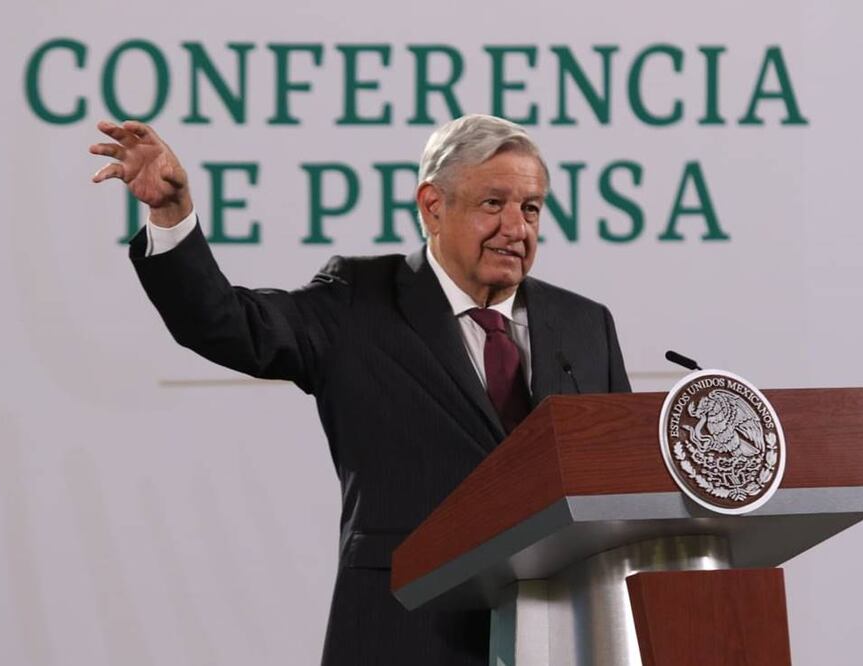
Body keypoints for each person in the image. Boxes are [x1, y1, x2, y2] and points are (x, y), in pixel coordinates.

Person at [90, 114, 631, 665]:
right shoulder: (358, 301)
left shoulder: (585, 325)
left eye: (531, 208)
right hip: (405, 634)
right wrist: (172, 214)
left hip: (567, 636)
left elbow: (625, 489)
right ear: (433, 206)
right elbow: (229, 324)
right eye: (493, 204)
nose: (516, 228)